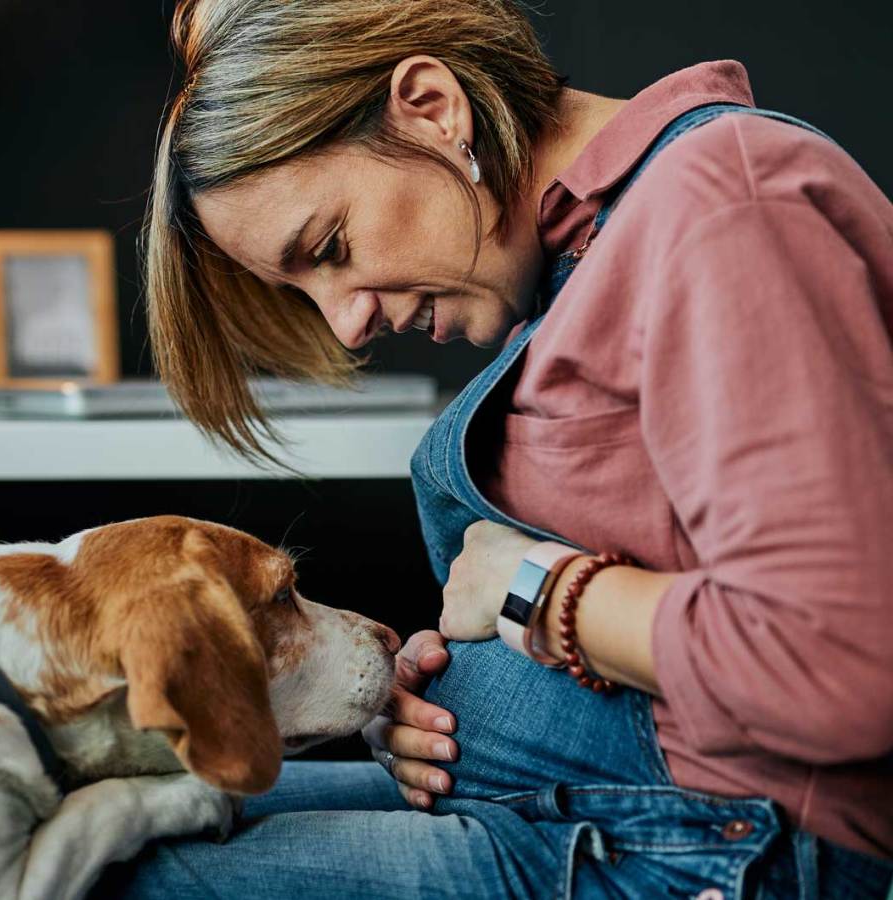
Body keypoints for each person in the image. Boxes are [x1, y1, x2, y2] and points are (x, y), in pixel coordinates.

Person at [105, 0, 893, 896]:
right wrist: (423, 716)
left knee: (115, 877)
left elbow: (840, 662)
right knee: (113, 815)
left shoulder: (723, 207)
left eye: (332, 248)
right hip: (599, 811)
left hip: (721, 849)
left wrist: (535, 591)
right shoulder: (586, 249)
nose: (348, 323)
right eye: (303, 292)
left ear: (433, 108)